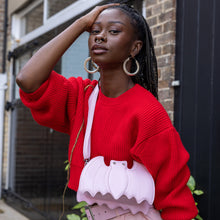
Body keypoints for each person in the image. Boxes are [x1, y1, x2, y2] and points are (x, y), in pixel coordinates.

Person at [16, 3, 198, 220]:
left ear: (135, 48)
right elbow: (27, 79)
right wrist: (81, 23)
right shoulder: (81, 96)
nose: (100, 37)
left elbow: (176, 199)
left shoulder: (147, 112)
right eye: (95, 31)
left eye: (113, 31)